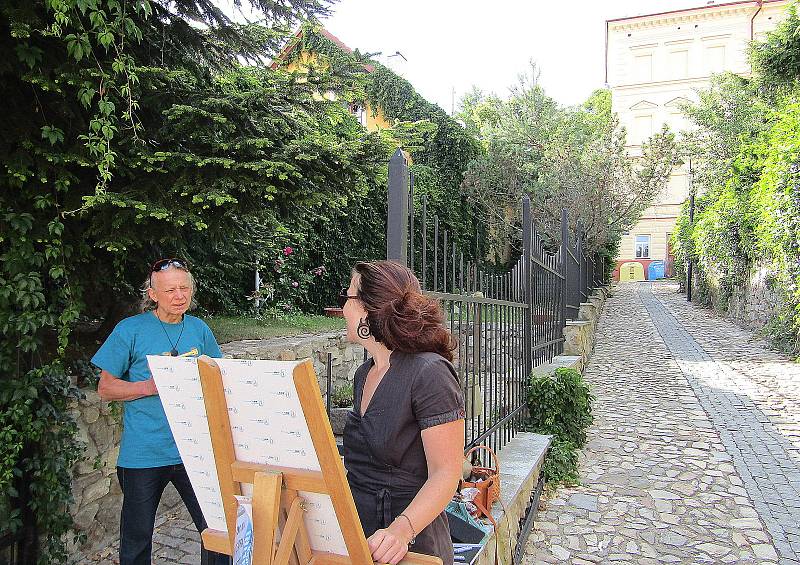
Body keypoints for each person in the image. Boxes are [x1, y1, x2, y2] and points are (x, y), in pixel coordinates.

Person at [92, 258, 229, 565]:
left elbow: (218, 377)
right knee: (137, 540)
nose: (179, 296)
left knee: (219, 533)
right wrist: (150, 387)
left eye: (184, 288)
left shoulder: (200, 329)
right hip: (144, 453)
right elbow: (105, 389)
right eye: (170, 290)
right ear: (152, 294)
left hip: (195, 452)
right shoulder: (130, 330)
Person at [339, 260, 466, 565]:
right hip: (361, 539)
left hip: (411, 546)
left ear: (368, 310)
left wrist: (400, 531)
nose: (342, 307)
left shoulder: (430, 373)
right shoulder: (364, 374)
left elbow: (447, 472)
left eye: (348, 297)